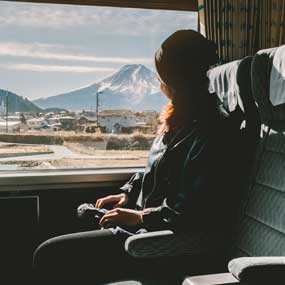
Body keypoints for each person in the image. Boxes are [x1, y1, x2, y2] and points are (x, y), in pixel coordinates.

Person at [33, 30, 242, 282]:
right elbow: (161, 170)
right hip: (145, 225)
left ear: (175, 80)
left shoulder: (213, 129)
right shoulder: (180, 118)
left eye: (162, 76)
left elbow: (194, 210)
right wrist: (128, 193)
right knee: (76, 219)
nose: (158, 82)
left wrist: (139, 216)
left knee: (49, 255)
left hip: (161, 242)